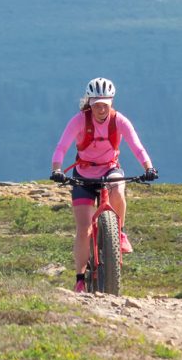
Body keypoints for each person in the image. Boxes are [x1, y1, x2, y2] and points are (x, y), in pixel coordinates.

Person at [50, 77, 157, 292]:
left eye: (105, 105)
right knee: (83, 228)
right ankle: (80, 278)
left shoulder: (120, 121)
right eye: (97, 105)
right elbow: (61, 147)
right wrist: (57, 170)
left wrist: (148, 167)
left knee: (118, 187)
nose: (101, 110)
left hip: (109, 169)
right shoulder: (79, 121)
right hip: (83, 175)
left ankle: (120, 233)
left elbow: (137, 146)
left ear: (111, 103)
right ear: (90, 103)